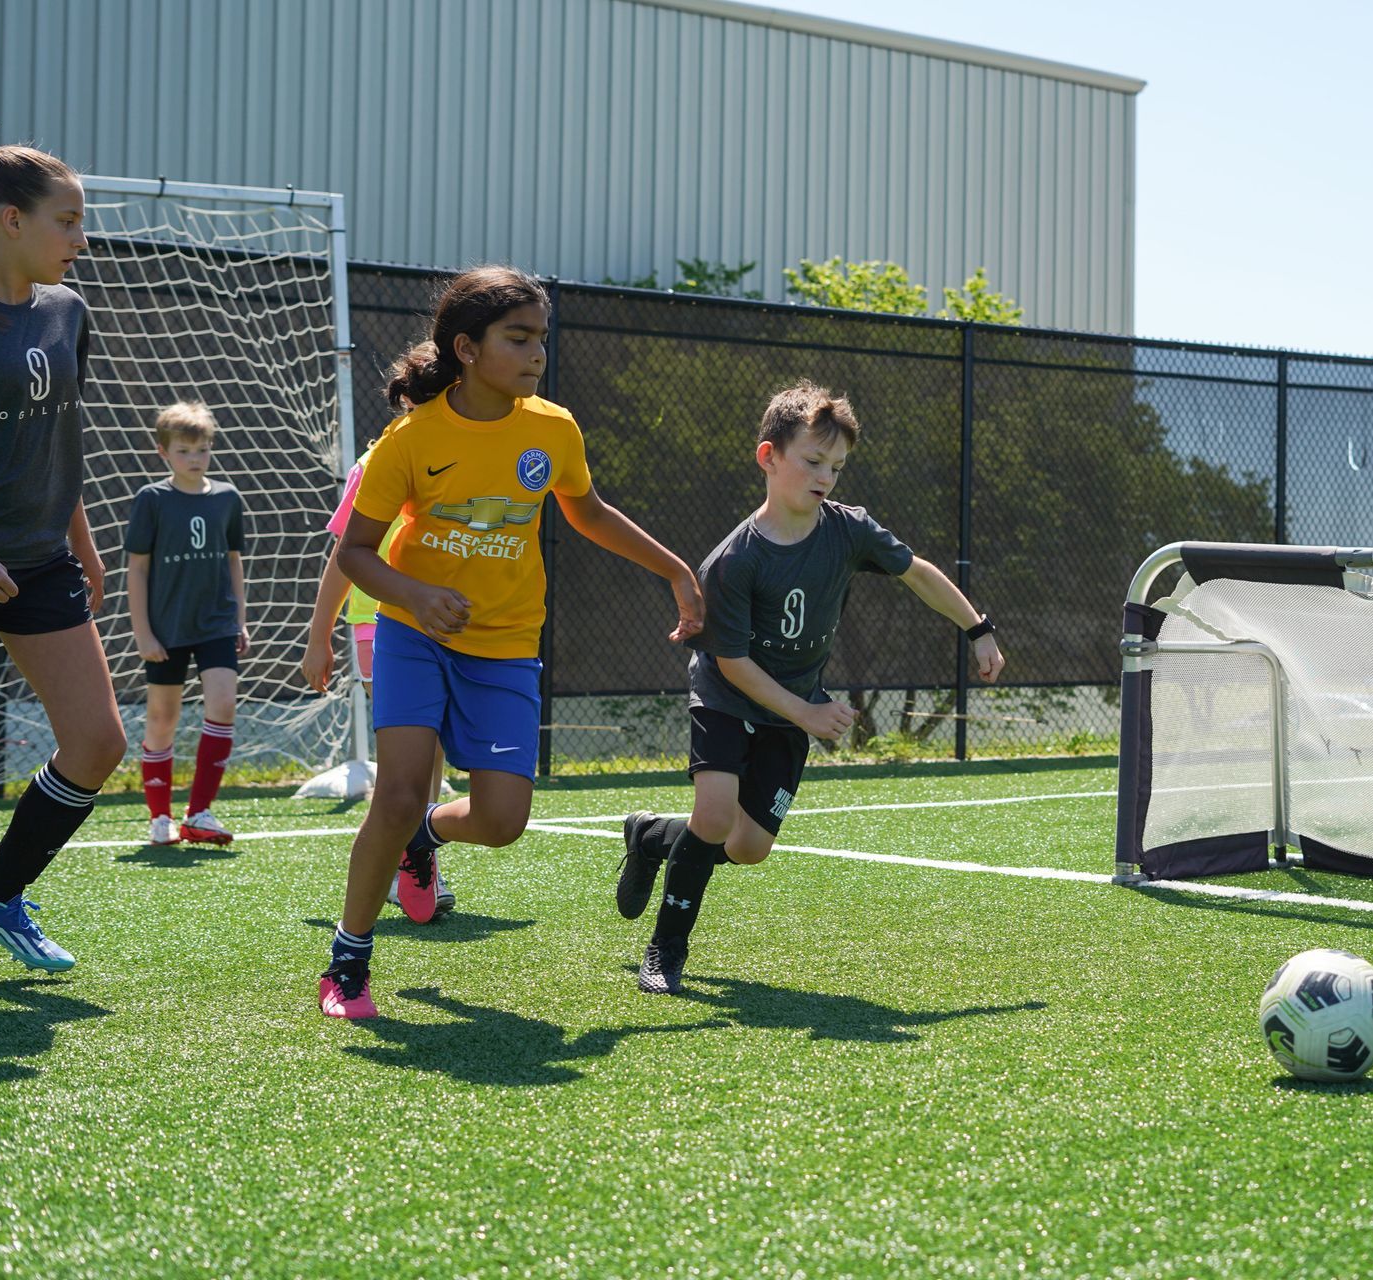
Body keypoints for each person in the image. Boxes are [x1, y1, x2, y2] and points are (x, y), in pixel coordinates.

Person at [318, 265, 703, 1019]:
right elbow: (355, 552)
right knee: (394, 793)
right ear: (466, 348)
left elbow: (586, 512)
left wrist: (674, 569)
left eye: (541, 339)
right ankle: (348, 960)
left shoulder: (552, 428)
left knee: (502, 822)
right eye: (517, 338)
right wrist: (418, 595)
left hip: (505, 642)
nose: (536, 354)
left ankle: (424, 839)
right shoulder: (411, 439)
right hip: (414, 634)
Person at [616, 380, 1005, 995]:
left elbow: (919, 575)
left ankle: (653, 835)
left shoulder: (849, 531)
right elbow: (735, 664)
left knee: (748, 849)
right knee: (714, 816)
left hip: (789, 711)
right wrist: (808, 712)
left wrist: (977, 628)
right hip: (725, 697)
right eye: (812, 461)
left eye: (837, 466)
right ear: (768, 457)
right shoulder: (735, 560)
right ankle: (667, 950)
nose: (825, 476)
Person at [0, 138, 126, 986]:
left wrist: (79, 542)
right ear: (11, 220)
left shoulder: (66, 311)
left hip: (40, 561)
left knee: (96, 743)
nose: (81, 237)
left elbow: (53, 440)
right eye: (67, 220)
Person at [301, 440, 455, 921]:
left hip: (437, 615)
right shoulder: (375, 464)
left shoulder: (462, 453)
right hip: (379, 623)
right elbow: (344, 554)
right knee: (405, 751)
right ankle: (395, 866)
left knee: (433, 745)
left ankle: (418, 854)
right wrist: (318, 635)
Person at [126, 401, 248, 846]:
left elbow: (234, 561)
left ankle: (199, 813)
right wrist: (142, 632)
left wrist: (240, 618)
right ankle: (160, 817)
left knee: (223, 706)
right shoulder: (152, 500)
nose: (194, 459)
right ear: (164, 453)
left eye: (202, 449)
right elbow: (137, 569)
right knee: (162, 717)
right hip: (166, 628)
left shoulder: (228, 498)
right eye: (183, 451)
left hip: (216, 622)